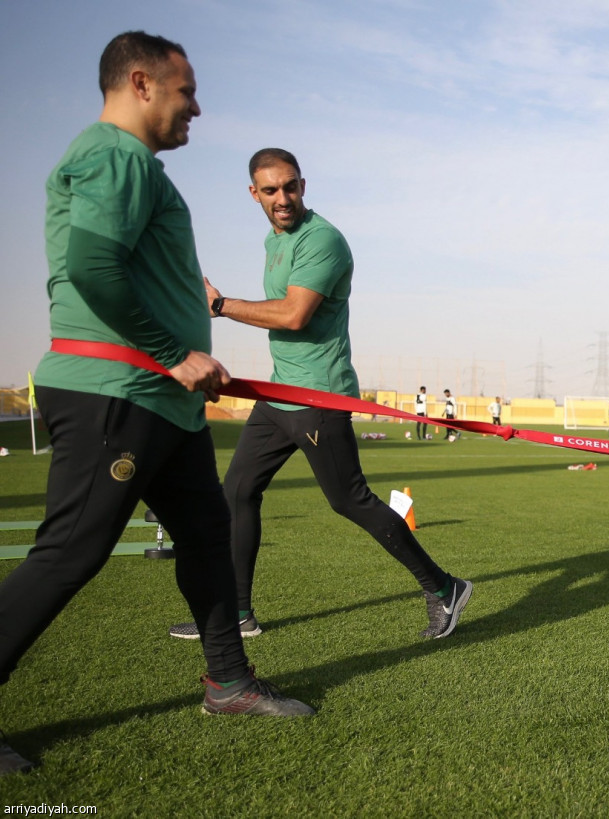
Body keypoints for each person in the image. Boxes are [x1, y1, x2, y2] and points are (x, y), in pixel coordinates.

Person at [1, 33, 313, 776]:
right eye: (186, 91)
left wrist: (183, 357)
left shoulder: (132, 165)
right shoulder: (117, 153)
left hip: (162, 402)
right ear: (141, 83)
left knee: (208, 533)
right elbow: (91, 264)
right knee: (71, 550)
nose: (196, 106)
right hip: (118, 391)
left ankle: (228, 682)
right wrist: (173, 352)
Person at [170, 148, 472, 644]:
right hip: (278, 397)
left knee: (350, 500)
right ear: (255, 194)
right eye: (270, 190)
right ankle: (237, 612)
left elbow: (293, 315)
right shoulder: (275, 241)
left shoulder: (323, 240)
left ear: (303, 185)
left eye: (290, 187)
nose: (282, 198)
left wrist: (220, 305)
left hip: (319, 398)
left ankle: (444, 588)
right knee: (238, 490)